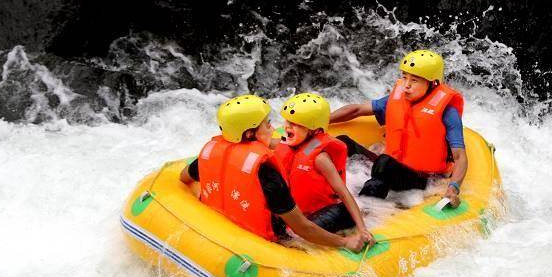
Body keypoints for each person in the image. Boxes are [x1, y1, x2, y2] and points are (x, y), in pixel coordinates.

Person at [179, 94, 366, 251]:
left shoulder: (210, 154)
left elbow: (183, 177)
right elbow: (303, 228)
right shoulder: (267, 174)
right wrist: (345, 242)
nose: (273, 128)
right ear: (250, 134)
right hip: (269, 236)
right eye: (267, 124)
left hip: (226, 223)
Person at [329, 49, 468, 206]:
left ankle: (359, 213)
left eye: (414, 80)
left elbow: (460, 157)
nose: (406, 85)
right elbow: (356, 110)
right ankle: (328, 193)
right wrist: (319, 122)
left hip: (424, 179)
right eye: (404, 77)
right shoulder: (396, 99)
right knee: (340, 143)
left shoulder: (448, 112)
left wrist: (453, 188)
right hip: (390, 166)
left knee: (384, 163)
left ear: (432, 83)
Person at [274, 92, 373, 243]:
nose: (287, 126)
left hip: (325, 211)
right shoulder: (286, 144)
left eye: (294, 123)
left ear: (313, 129)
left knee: (298, 236)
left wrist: (362, 229)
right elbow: (265, 142)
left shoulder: (321, 158)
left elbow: (343, 193)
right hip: (297, 211)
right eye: (287, 121)